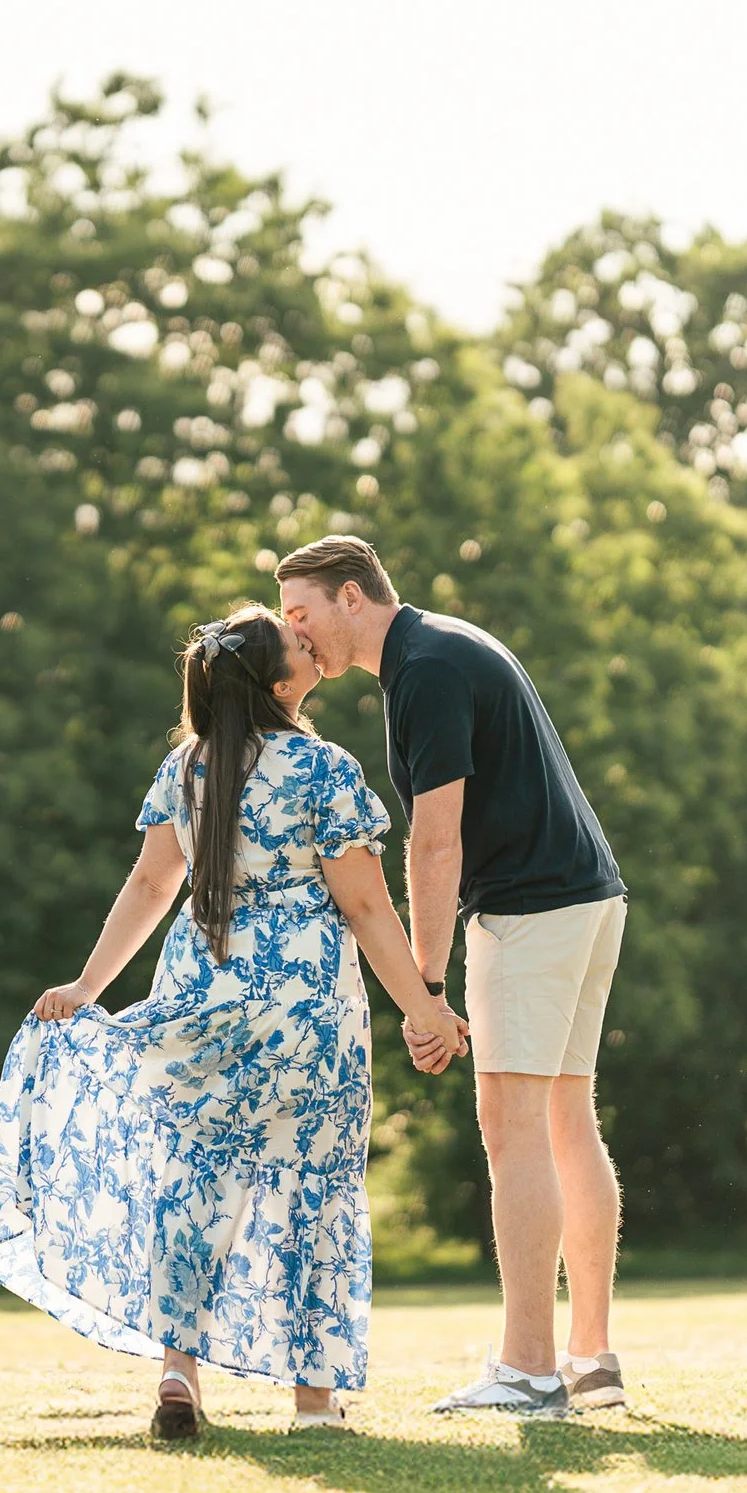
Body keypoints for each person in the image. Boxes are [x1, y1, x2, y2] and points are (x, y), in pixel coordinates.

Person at [0, 603, 468, 1438]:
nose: (309, 643)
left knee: (191, 1180)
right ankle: (314, 1400)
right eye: (297, 644)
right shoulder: (325, 771)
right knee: (315, 1184)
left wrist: (90, 987)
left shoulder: (189, 769)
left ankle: (179, 1370)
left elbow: (147, 888)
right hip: (304, 1006)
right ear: (281, 685)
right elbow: (366, 907)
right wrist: (426, 1006)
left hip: (203, 990)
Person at [277, 534, 629, 1419]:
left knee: (512, 1126)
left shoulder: (423, 668)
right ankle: (591, 1359)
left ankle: (528, 1370)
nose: (297, 632)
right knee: (563, 1118)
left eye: (301, 612)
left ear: (350, 597)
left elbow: (436, 839)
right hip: (587, 899)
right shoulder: (441, 644)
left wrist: (426, 985)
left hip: (530, 911)